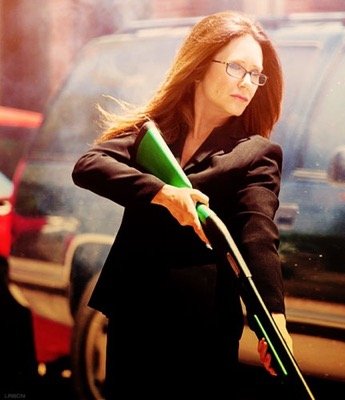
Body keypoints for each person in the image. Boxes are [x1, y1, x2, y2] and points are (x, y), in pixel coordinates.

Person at [72, 10, 292, 399]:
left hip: (199, 322)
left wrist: (273, 319)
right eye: (236, 68)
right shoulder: (155, 132)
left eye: (256, 75)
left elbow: (258, 236)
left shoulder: (255, 153)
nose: (248, 83)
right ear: (199, 66)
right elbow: (89, 165)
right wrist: (163, 193)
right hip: (134, 312)